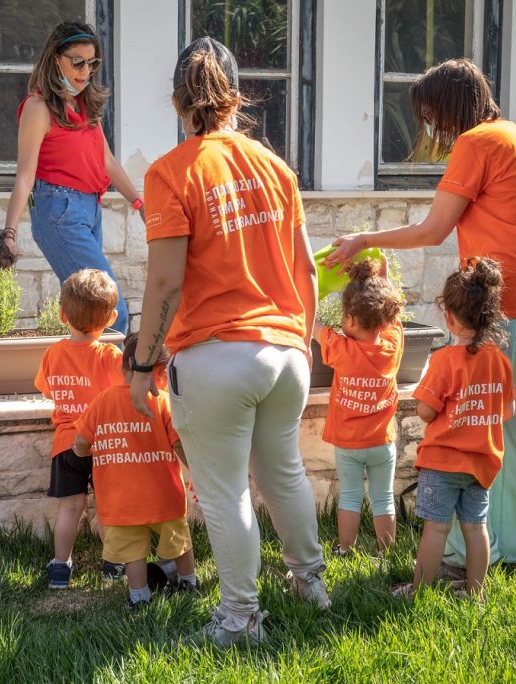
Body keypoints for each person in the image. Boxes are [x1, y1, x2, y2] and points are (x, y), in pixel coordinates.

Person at [324, 58, 516, 572]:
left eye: (432, 113)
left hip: (505, 308)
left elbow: (434, 230)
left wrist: (364, 239)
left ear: (451, 106)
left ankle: (460, 554)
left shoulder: (476, 143)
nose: (432, 127)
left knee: (465, 424)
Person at [129, 36, 328, 648]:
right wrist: (304, 342)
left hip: (216, 356)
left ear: (177, 102)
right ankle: (311, 586)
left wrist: (142, 365)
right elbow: (307, 273)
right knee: (285, 474)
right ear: (237, 99)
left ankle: (240, 619)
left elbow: (165, 283)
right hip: (285, 351)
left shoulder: (170, 173)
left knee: (225, 493)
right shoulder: (276, 167)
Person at [4, 21, 142, 336]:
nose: (84, 71)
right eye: (76, 62)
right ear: (55, 59)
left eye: (91, 64)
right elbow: (25, 176)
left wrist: (138, 201)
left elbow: (106, 161)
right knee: (109, 309)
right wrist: (9, 232)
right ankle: (112, 382)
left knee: (89, 315)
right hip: (58, 211)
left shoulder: (83, 106)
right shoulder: (38, 108)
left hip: (89, 210)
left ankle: (84, 380)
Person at [393, 258, 515, 599]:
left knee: (436, 528)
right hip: (481, 465)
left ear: (448, 316)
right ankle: (475, 593)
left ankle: (418, 591)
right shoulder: (500, 362)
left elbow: (427, 411)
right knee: (476, 529)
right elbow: (508, 411)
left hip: (442, 463)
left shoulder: (444, 360)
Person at [74, 333, 198, 610]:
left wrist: (84, 452)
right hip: (164, 496)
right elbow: (179, 445)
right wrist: (200, 474)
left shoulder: (102, 401)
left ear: (124, 367)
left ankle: (139, 596)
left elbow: (81, 442)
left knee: (133, 553)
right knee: (179, 541)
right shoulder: (162, 402)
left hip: (120, 501)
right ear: (159, 371)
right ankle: (189, 581)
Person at [34, 268, 123, 589]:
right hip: (103, 445)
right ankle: (114, 563)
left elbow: (46, 389)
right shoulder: (110, 356)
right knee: (107, 507)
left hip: (66, 444)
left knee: (70, 507)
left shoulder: (52, 354)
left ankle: (60, 566)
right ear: (111, 317)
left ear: (61, 314)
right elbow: (125, 391)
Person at [313, 257, 404, 556]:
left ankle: (345, 549)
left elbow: (311, 323)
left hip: (348, 443)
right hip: (381, 442)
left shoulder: (340, 349)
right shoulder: (392, 346)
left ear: (351, 319)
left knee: (350, 498)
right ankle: (386, 553)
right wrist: (384, 279)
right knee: (383, 499)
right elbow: (392, 321)